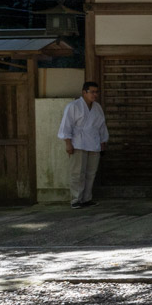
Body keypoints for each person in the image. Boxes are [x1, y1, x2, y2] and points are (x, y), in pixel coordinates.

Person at [58, 81, 108, 209]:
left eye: (96, 92)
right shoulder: (73, 106)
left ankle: (86, 199)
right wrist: (68, 144)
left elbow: (102, 126)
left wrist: (103, 142)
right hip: (78, 143)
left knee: (90, 173)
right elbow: (66, 125)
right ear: (84, 92)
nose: (95, 94)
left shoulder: (97, 107)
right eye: (92, 92)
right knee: (77, 173)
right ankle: (76, 199)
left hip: (94, 142)